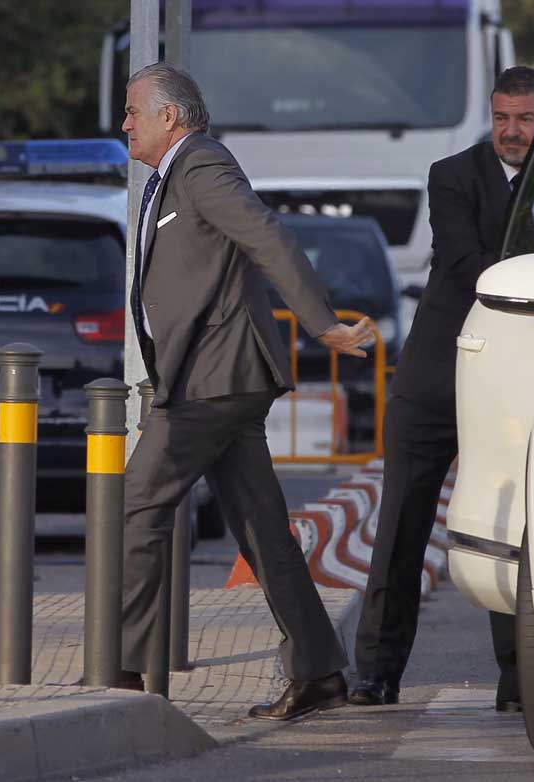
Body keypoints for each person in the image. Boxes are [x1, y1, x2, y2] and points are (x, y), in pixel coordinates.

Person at [115, 62, 375, 721]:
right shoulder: (174, 175)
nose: (124, 124)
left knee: (138, 502)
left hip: (215, 377)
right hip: (217, 376)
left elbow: (268, 235)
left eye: (132, 112)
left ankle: (126, 676)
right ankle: (318, 671)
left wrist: (323, 326)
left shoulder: (200, 166)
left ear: (168, 118)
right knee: (262, 528)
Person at [347, 66, 534, 712]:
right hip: (439, 370)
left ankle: (521, 678)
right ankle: (377, 673)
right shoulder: (453, 175)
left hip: (520, 376)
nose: (511, 131)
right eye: (501, 118)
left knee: (512, 523)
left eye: (524, 118)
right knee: (403, 521)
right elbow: (466, 262)